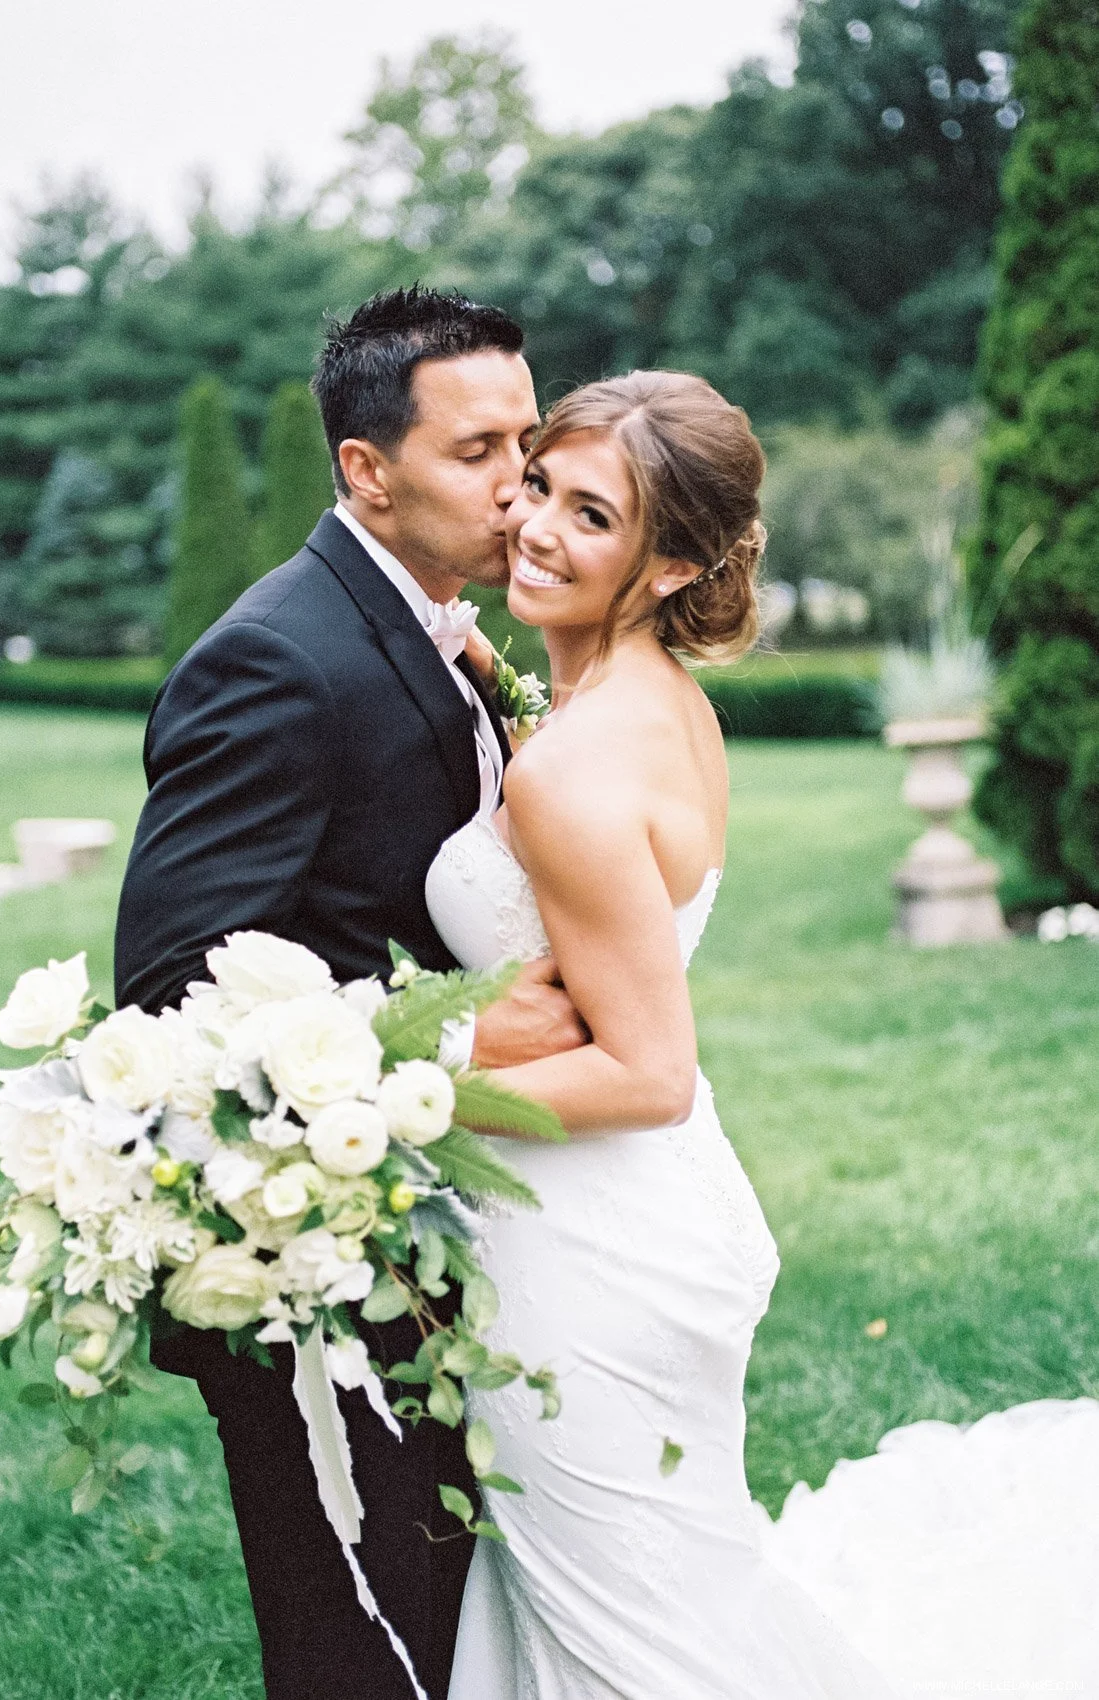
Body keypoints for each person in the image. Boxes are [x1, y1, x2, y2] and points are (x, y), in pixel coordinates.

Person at [114, 287, 586, 1700]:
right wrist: (462, 1030)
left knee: (450, 1624)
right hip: (308, 1268)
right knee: (360, 1649)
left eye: (527, 441)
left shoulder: (441, 631)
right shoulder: (276, 656)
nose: (520, 482)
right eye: (477, 452)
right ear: (366, 470)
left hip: (427, 1224)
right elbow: (176, 982)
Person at [428, 370, 899, 1696]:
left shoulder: (571, 769)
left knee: (629, 1639)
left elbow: (648, 1072)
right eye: (538, 485)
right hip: (654, 1215)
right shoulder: (652, 702)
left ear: (676, 562)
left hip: (582, 1255)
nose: (533, 526)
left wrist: (404, 1087)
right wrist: (497, 678)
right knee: (653, 1598)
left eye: (591, 515)